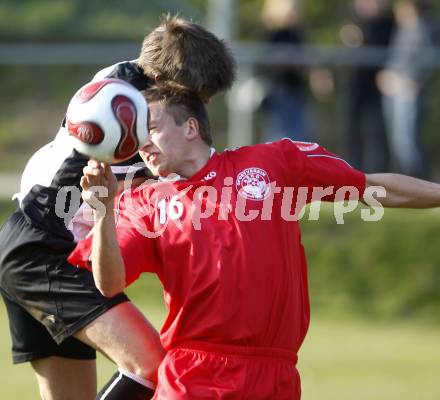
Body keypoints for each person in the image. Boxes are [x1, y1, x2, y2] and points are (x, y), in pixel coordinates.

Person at [69, 84, 440, 399]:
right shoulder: (143, 203)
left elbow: (371, 187)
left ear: (191, 127)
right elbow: (110, 283)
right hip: (194, 373)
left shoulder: (271, 163)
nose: (142, 144)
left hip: (276, 376)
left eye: (151, 128)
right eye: (137, 136)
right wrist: (104, 211)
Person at [0, 15, 235, 400]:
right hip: (49, 249)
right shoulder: (124, 105)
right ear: (162, 84)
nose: (198, 108)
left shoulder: (124, 81)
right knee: (152, 367)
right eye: (197, 97)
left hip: (33, 242)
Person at [377, 0, 434, 177]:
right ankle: (403, 181)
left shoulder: (421, 30)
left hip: (405, 91)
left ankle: (417, 182)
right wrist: (386, 75)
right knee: (396, 139)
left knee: (405, 140)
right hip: (393, 89)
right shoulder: (401, 30)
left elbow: (427, 61)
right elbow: (395, 60)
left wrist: (413, 81)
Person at [342, 0, 395, 172]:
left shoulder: (390, 24)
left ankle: (377, 181)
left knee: (376, 136)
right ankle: (350, 177)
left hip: (379, 90)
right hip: (355, 90)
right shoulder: (351, 23)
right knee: (352, 135)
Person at [259, 0, 312, 142]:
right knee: (278, 135)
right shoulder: (273, 34)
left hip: (295, 91)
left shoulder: (296, 34)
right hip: (279, 92)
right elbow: (270, 60)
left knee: (299, 135)